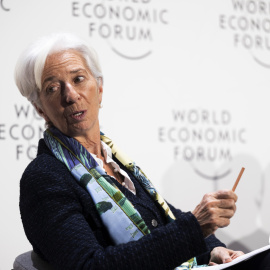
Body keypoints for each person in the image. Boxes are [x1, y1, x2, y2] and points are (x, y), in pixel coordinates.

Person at [14, 33, 269, 270]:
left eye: (78, 79)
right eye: (53, 88)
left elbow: (164, 219)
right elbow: (90, 266)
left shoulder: (112, 160)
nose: (70, 95)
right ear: (40, 109)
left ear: (99, 89)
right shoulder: (44, 178)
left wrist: (213, 250)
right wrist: (194, 227)